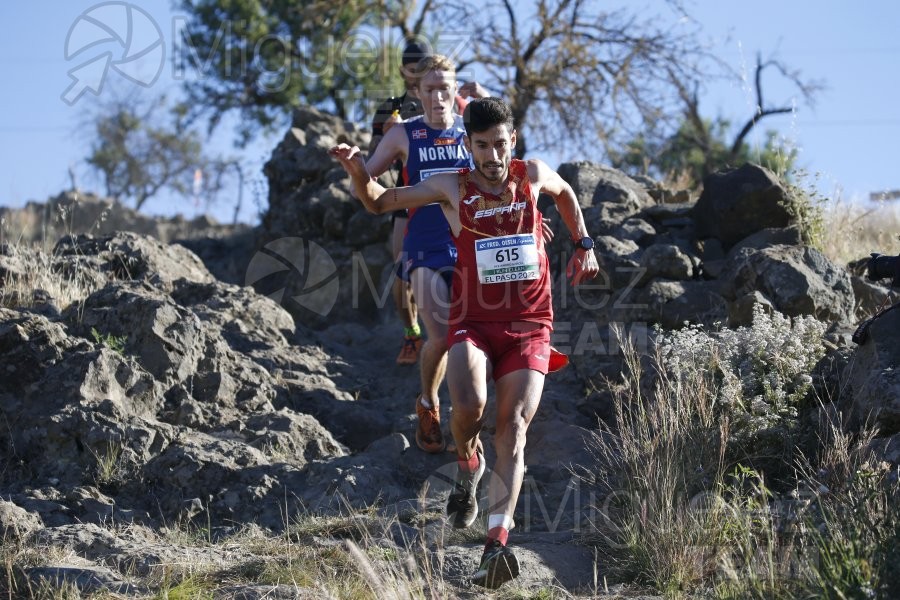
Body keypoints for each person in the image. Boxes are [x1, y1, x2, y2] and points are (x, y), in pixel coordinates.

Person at [329, 97, 600, 588]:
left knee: (513, 427)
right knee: (469, 407)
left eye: (500, 144)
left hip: (529, 323)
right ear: (468, 145)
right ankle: (467, 462)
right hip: (473, 321)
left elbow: (564, 195)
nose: (493, 156)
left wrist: (583, 243)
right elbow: (378, 202)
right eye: (482, 146)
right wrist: (356, 170)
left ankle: (495, 544)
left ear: (512, 140)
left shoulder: (532, 173)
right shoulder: (451, 187)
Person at [364, 53, 479, 454]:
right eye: (428, 89)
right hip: (423, 243)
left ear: (454, 89)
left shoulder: (470, 132)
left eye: (444, 88)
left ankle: (469, 418)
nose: (437, 96)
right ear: (417, 91)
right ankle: (429, 404)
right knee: (444, 334)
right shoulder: (403, 133)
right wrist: (354, 169)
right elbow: (369, 179)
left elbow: (502, 169)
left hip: (469, 244)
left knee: (476, 332)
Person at [370, 40, 428, 366]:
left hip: (446, 196)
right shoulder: (389, 108)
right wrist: (387, 138)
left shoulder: (443, 102)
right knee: (402, 272)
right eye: (412, 66)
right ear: (403, 70)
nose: (417, 72)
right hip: (406, 197)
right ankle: (412, 335)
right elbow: (374, 158)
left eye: (423, 65)